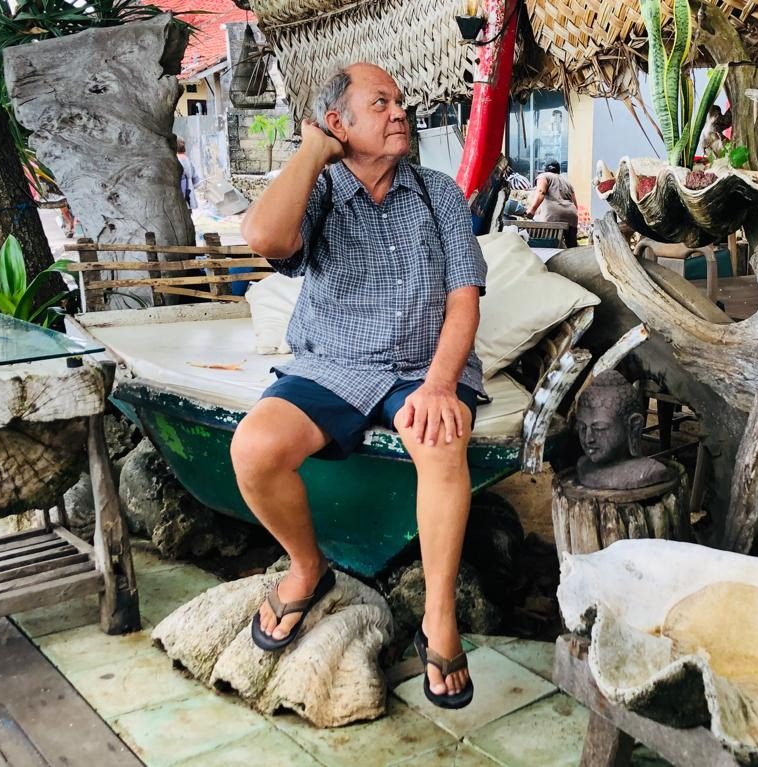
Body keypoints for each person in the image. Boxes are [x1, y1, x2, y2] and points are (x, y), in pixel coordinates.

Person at [233, 63, 486, 710]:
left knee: (441, 441)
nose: (400, 111)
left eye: (401, 101)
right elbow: (263, 237)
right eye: (380, 103)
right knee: (254, 448)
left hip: (422, 368)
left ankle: (438, 616)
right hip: (333, 365)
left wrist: (440, 384)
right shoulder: (317, 192)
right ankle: (307, 567)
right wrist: (313, 151)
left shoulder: (437, 193)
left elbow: (463, 299)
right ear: (337, 122)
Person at [524, 159, 578, 247]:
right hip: (571, 216)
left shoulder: (544, 176)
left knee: (550, 246)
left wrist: (532, 209)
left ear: (545, 169)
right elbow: (575, 203)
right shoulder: (567, 182)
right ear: (559, 170)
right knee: (572, 248)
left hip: (553, 216)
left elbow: (541, 192)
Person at [176, 138, 201, 210]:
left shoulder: (175, 159)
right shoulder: (187, 159)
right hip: (189, 191)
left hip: (179, 190)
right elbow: (195, 177)